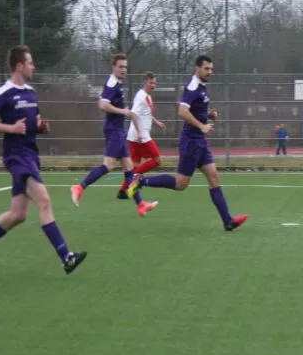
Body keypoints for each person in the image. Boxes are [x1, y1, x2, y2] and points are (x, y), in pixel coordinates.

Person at [0, 46, 87, 274]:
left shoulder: (31, 93)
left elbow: (32, 123)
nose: (34, 67)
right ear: (19, 66)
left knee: (18, 214)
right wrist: (11, 128)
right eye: (30, 63)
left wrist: (41, 127)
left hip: (31, 155)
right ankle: (66, 257)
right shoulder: (4, 92)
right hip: (16, 157)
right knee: (43, 200)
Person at [128, 55, 248, 231]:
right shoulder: (192, 86)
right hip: (191, 142)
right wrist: (202, 126)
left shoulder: (202, 86)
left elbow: (194, 110)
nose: (210, 72)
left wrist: (208, 115)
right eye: (206, 69)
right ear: (197, 68)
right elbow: (182, 111)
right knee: (180, 184)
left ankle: (227, 221)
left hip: (200, 141)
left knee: (213, 177)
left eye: (211, 69)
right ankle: (141, 181)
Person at [70, 54, 158, 217]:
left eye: (125, 67)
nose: (123, 70)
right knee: (108, 166)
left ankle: (141, 205)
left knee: (129, 168)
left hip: (118, 130)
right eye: (120, 67)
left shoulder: (117, 83)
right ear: (113, 67)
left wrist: (124, 113)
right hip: (114, 130)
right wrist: (122, 111)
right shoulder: (112, 83)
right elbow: (102, 104)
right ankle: (79, 187)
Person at [117, 71, 165, 199]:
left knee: (135, 166)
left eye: (154, 83)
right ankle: (135, 181)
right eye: (151, 83)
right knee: (157, 160)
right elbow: (133, 113)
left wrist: (157, 122)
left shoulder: (147, 96)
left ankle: (123, 191)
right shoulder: (141, 96)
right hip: (140, 137)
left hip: (136, 136)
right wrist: (139, 132)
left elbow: (147, 113)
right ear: (145, 82)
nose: (153, 85)